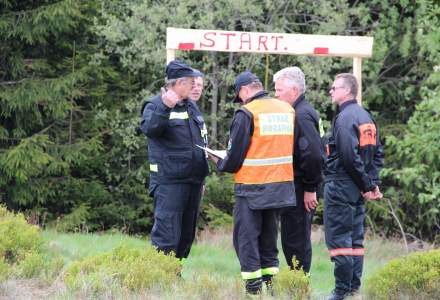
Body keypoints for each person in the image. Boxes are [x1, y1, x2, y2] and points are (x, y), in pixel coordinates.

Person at [209, 71, 296, 295]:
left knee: (245, 239)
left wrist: (219, 161)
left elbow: (235, 156)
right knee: (269, 239)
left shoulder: (247, 113)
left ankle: (253, 289)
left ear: (245, 90)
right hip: (280, 187)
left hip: (252, 188)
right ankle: (272, 286)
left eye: (240, 95)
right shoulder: (287, 109)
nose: (241, 100)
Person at [140, 60, 209, 263]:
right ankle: (161, 279)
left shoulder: (191, 106)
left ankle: (175, 276)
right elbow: (150, 129)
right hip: (170, 182)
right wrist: (165, 107)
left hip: (193, 181)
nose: (194, 87)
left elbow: (198, 142)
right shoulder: (155, 105)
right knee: (167, 234)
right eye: (190, 83)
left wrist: (202, 176)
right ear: (178, 83)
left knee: (186, 235)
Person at [324, 73, 384, 300]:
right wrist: (370, 184)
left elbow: (349, 157)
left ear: (347, 91)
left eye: (334, 87)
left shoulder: (345, 117)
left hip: (341, 184)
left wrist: (367, 184)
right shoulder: (366, 117)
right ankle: (353, 290)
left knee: (340, 240)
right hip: (358, 187)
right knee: (355, 241)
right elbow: (377, 154)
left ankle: (340, 293)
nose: (330, 91)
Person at [273, 66, 324, 273]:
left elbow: (313, 155)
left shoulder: (301, 114)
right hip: (298, 186)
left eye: (279, 91)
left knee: (296, 240)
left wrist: (310, 188)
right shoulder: (299, 111)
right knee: (293, 238)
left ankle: (299, 287)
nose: (275, 95)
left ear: (294, 91)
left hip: (302, 187)